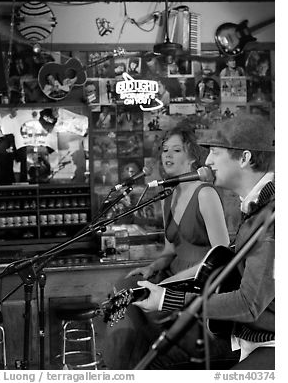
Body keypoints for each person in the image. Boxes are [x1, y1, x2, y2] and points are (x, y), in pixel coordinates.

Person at [133, 114, 275, 370]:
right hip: (240, 334)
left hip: (266, 342)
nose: (207, 161)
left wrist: (168, 298)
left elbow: (248, 305)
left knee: (155, 361)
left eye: (215, 153)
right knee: (149, 346)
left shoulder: (272, 216)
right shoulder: (256, 207)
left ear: (244, 158)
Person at [102, 123, 231, 369]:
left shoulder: (205, 194)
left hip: (198, 282)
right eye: (164, 150)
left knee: (135, 303)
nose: (167, 155)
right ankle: (129, 363)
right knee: (124, 288)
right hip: (172, 274)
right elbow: (170, 251)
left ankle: (146, 359)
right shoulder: (168, 195)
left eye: (176, 150)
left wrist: (166, 284)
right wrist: (151, 268)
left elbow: (222, 259)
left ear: (193, 155)